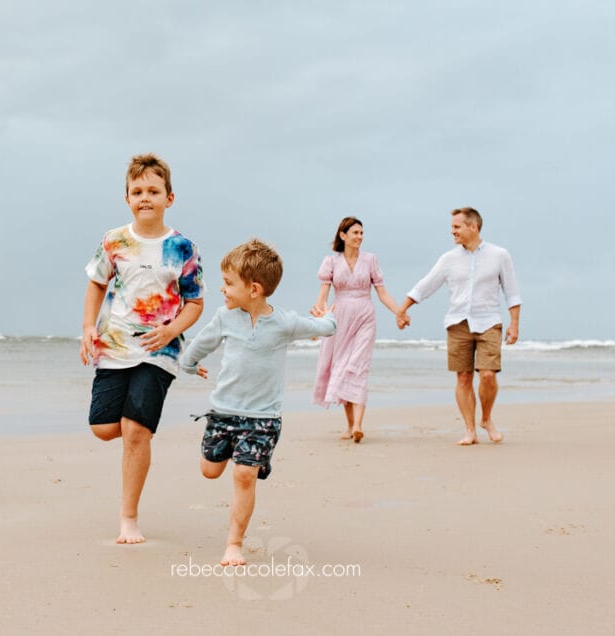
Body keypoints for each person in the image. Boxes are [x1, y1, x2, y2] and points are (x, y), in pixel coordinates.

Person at [181, 239, 336, 566]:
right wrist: (190, 366)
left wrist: (330, 318)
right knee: (210, 471)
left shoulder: (284, 322)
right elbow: (199, 346)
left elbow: (323, 328)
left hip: (262, 419)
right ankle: (252, 459)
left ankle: (233, 544)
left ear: (253, 289)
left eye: (227, 283)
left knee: (243, 476)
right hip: (223, 413)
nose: (222, 289)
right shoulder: (225, 317)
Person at [79, 153, 205, 544]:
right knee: (103, 428)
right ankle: (142, 429)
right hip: (114, 345)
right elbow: (98, 283)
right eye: (137, 191)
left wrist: (171, 333)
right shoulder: (114, 241)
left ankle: (128, 517)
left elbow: (195, 303)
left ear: (170, 197)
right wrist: (87, 327)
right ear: (127, 198)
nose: (145, 197)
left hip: (159, 349)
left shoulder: (183, 248)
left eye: (154, 190)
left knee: (134, 431)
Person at [396, 207, 521, 446]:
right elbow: (426, 285)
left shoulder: (499, 255)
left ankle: (486, 419)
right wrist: (403, 309)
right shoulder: (448, 259)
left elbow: (512, 292)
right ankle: (470, 430)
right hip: (457, 323)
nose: (452, 231)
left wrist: (514, 324)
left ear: (473, 227)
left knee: (487, 376)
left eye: (457, 226)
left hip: (488, 323)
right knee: (463, 377)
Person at [311, 217, 402, 443]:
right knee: (341, 367)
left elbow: (382, 292)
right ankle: (350, 425)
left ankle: (359, 426)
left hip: (364, 317)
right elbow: (323, 297)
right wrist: (317, 323)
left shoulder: (370, 260)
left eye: (361, 233)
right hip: (339, 318)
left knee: (357, 368)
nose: (360, 237)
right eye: (355, 233)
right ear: (343, 235)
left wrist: (399, 312)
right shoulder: (331, 262)